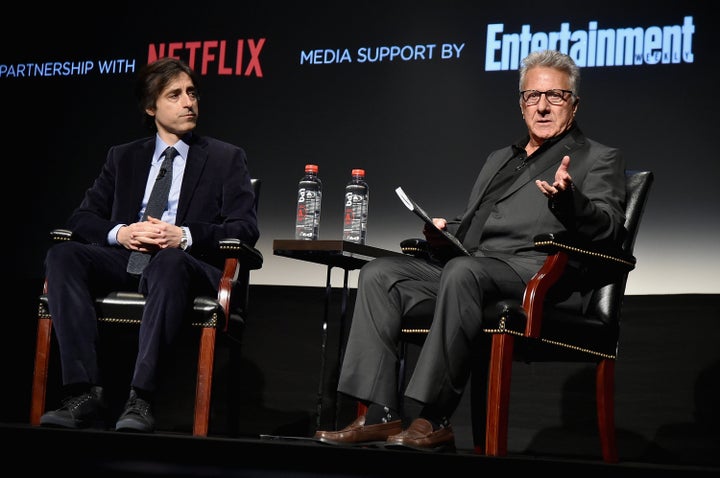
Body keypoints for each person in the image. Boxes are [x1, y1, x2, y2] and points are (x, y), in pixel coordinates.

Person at [313, 49, 627, 451]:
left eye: (556, 97)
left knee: (463, 272)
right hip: (476, 268)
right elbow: (478, 224)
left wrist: (570, 201)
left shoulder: (598, 157)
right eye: (533, 96)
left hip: (536, 275)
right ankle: (379, 413)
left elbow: (609, 228)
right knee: (380, 274)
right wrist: (447, 232)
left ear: (574, 103)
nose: (543, 107)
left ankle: (430, 416)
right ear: (521, 104)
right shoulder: (500, 158)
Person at [39, 57, 259, 433]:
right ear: (150, 107)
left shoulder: (225, 158)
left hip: (184, 266)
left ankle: (141, 398)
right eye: (175, 95)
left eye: (192, 93)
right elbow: (82, 218)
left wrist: (184, 235)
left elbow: (245, 227)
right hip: (125, 259)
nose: (189, 102)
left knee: (169, 261)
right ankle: (83, 392)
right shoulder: (123, 157)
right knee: (63, 254)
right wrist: (122, 232)